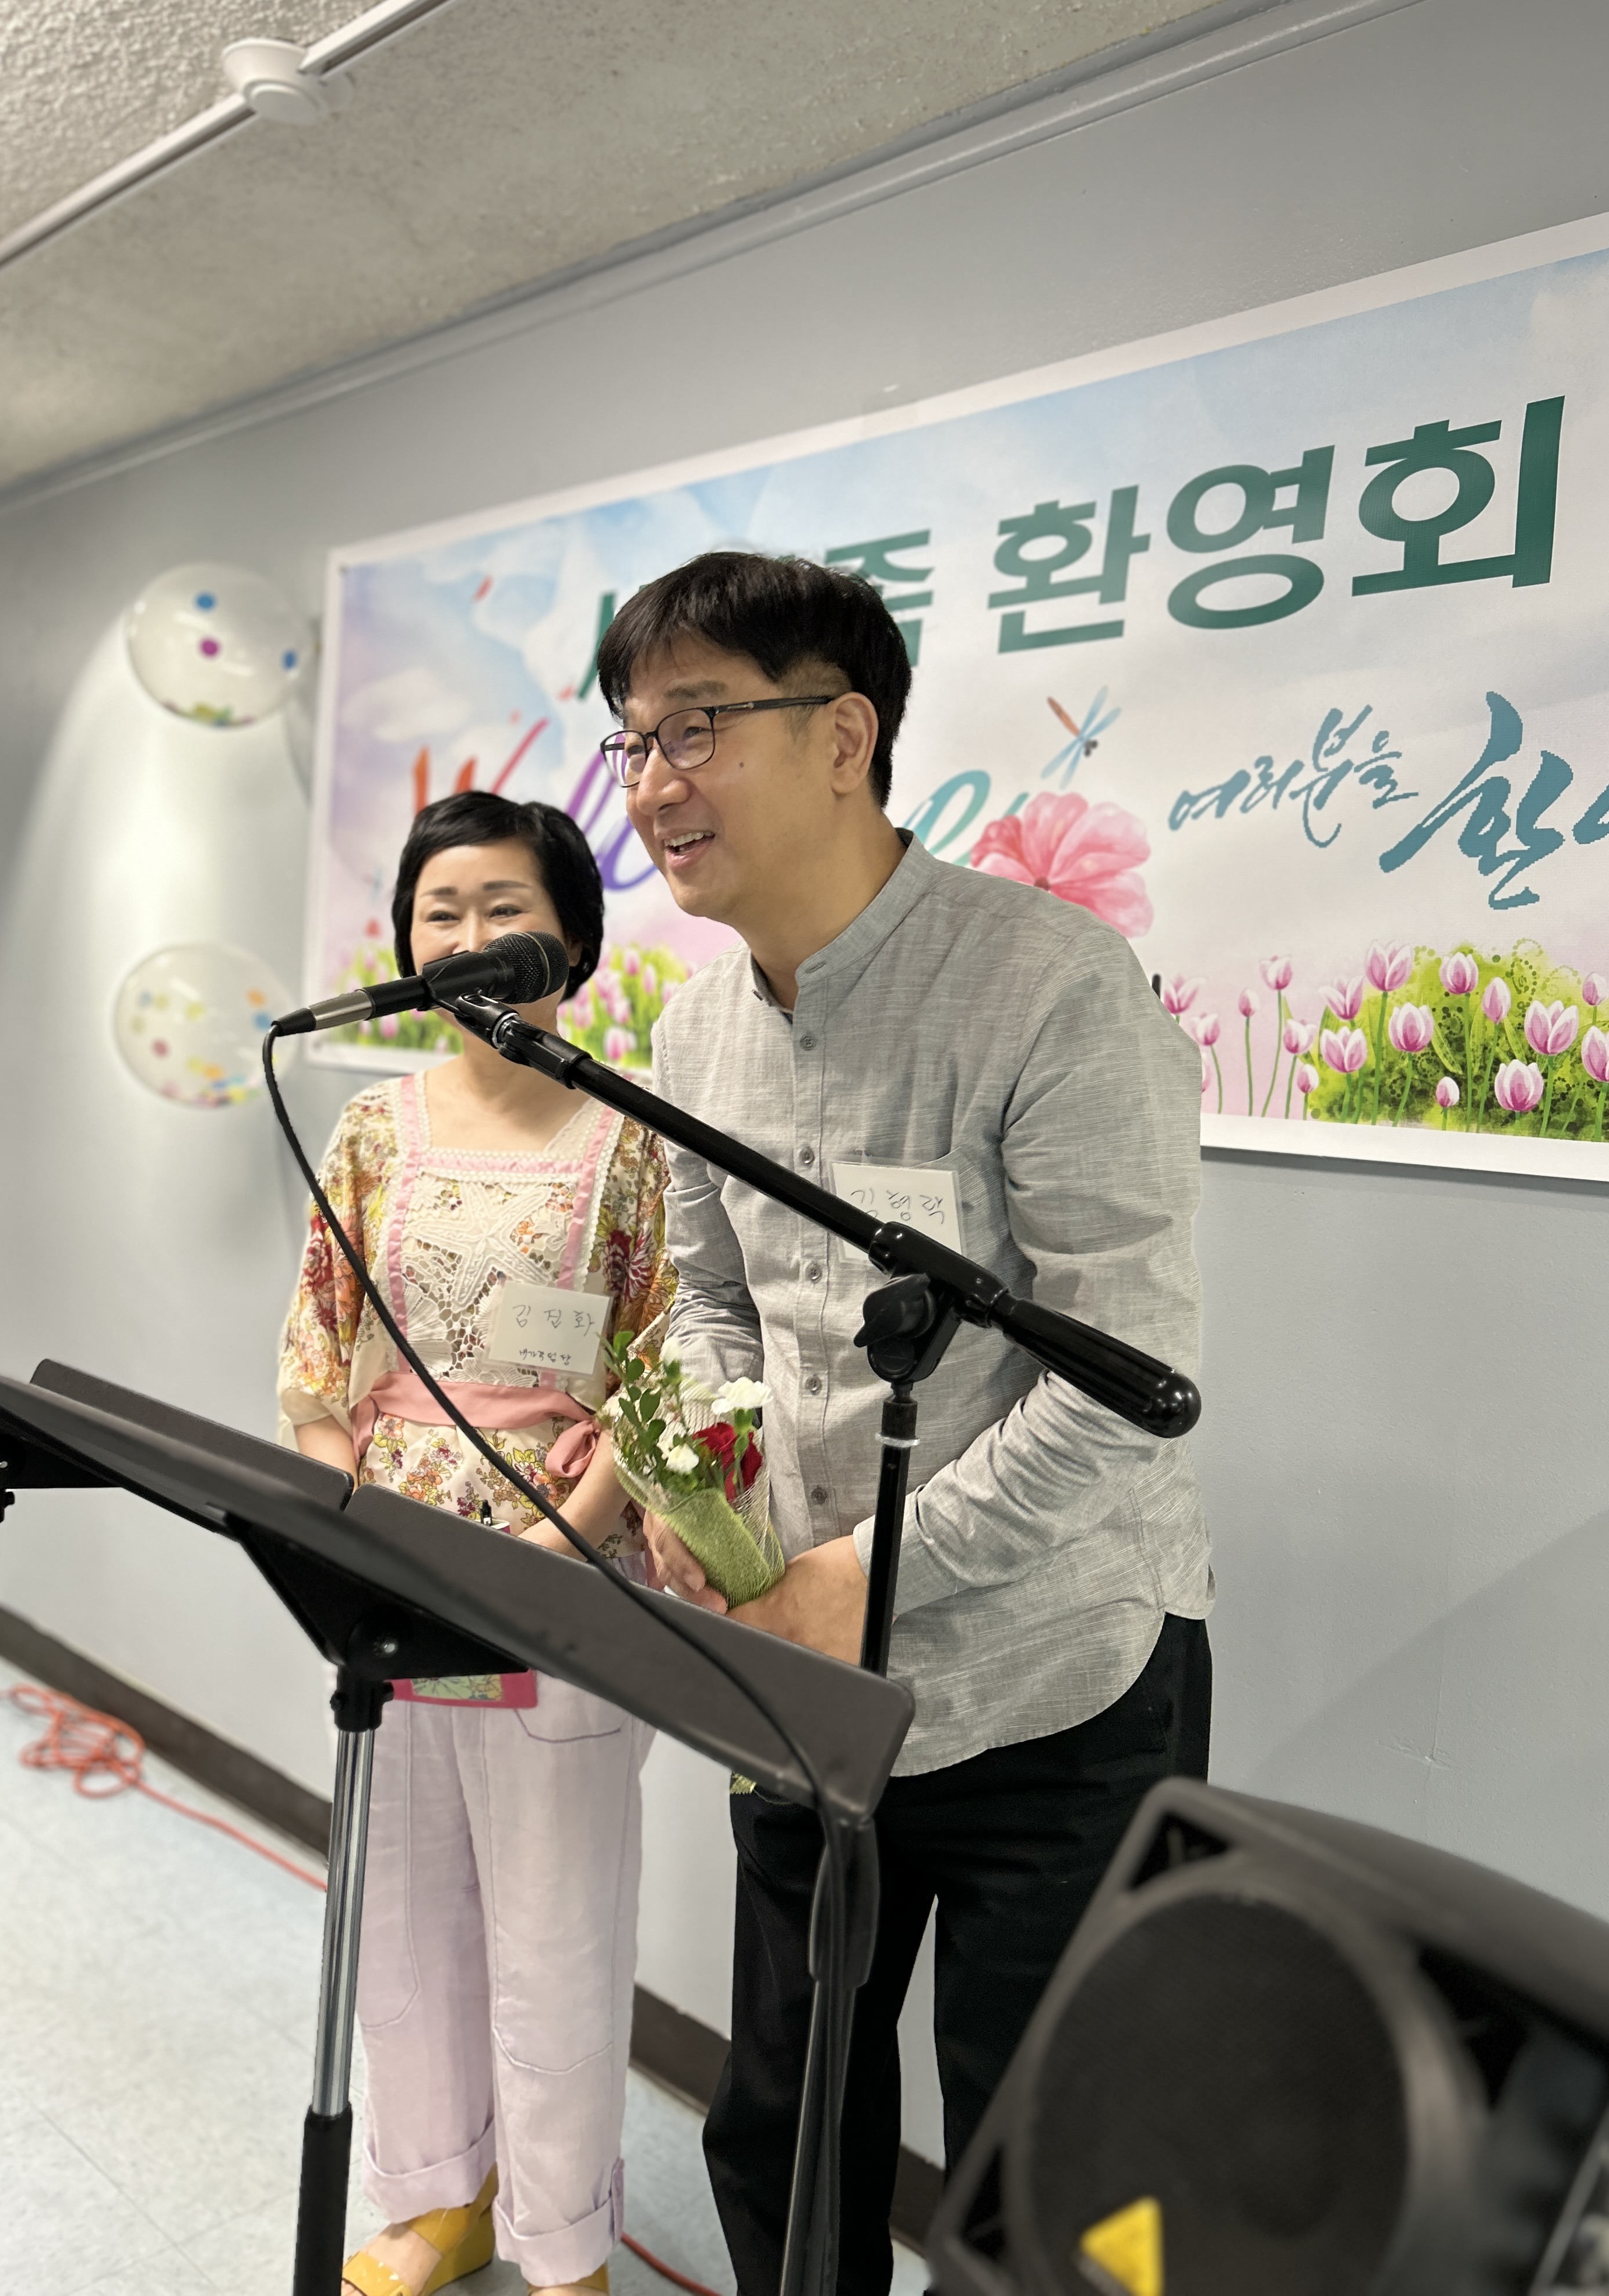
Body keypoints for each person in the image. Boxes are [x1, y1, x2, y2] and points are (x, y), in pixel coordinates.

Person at [594, 553, 1212, 2296]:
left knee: (1048, 2177)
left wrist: (859, 1575)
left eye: (696, 728)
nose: (651, 783)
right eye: (633, 740)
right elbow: (716, 1306)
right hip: (803, 1680)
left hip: (1053, 1682)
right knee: (783, 2131)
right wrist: (704, 1491)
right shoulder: (699, 1025)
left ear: (845, 736)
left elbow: (1124, 1390)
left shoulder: (1051, 987)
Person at [279, 791, 674, 2296]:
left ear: (569, 936)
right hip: (391, 1574)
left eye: (502, 909)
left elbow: (665, 1374)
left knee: (559, 1924)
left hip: (561, 1584)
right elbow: (318, 1363)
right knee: (404, 1903)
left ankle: (562, 2238)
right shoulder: (372, 1132)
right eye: (438, 913)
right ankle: (436, 2195)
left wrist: (560, 1549)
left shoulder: (636, 1140)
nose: (467, 937)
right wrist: (348, 1535)